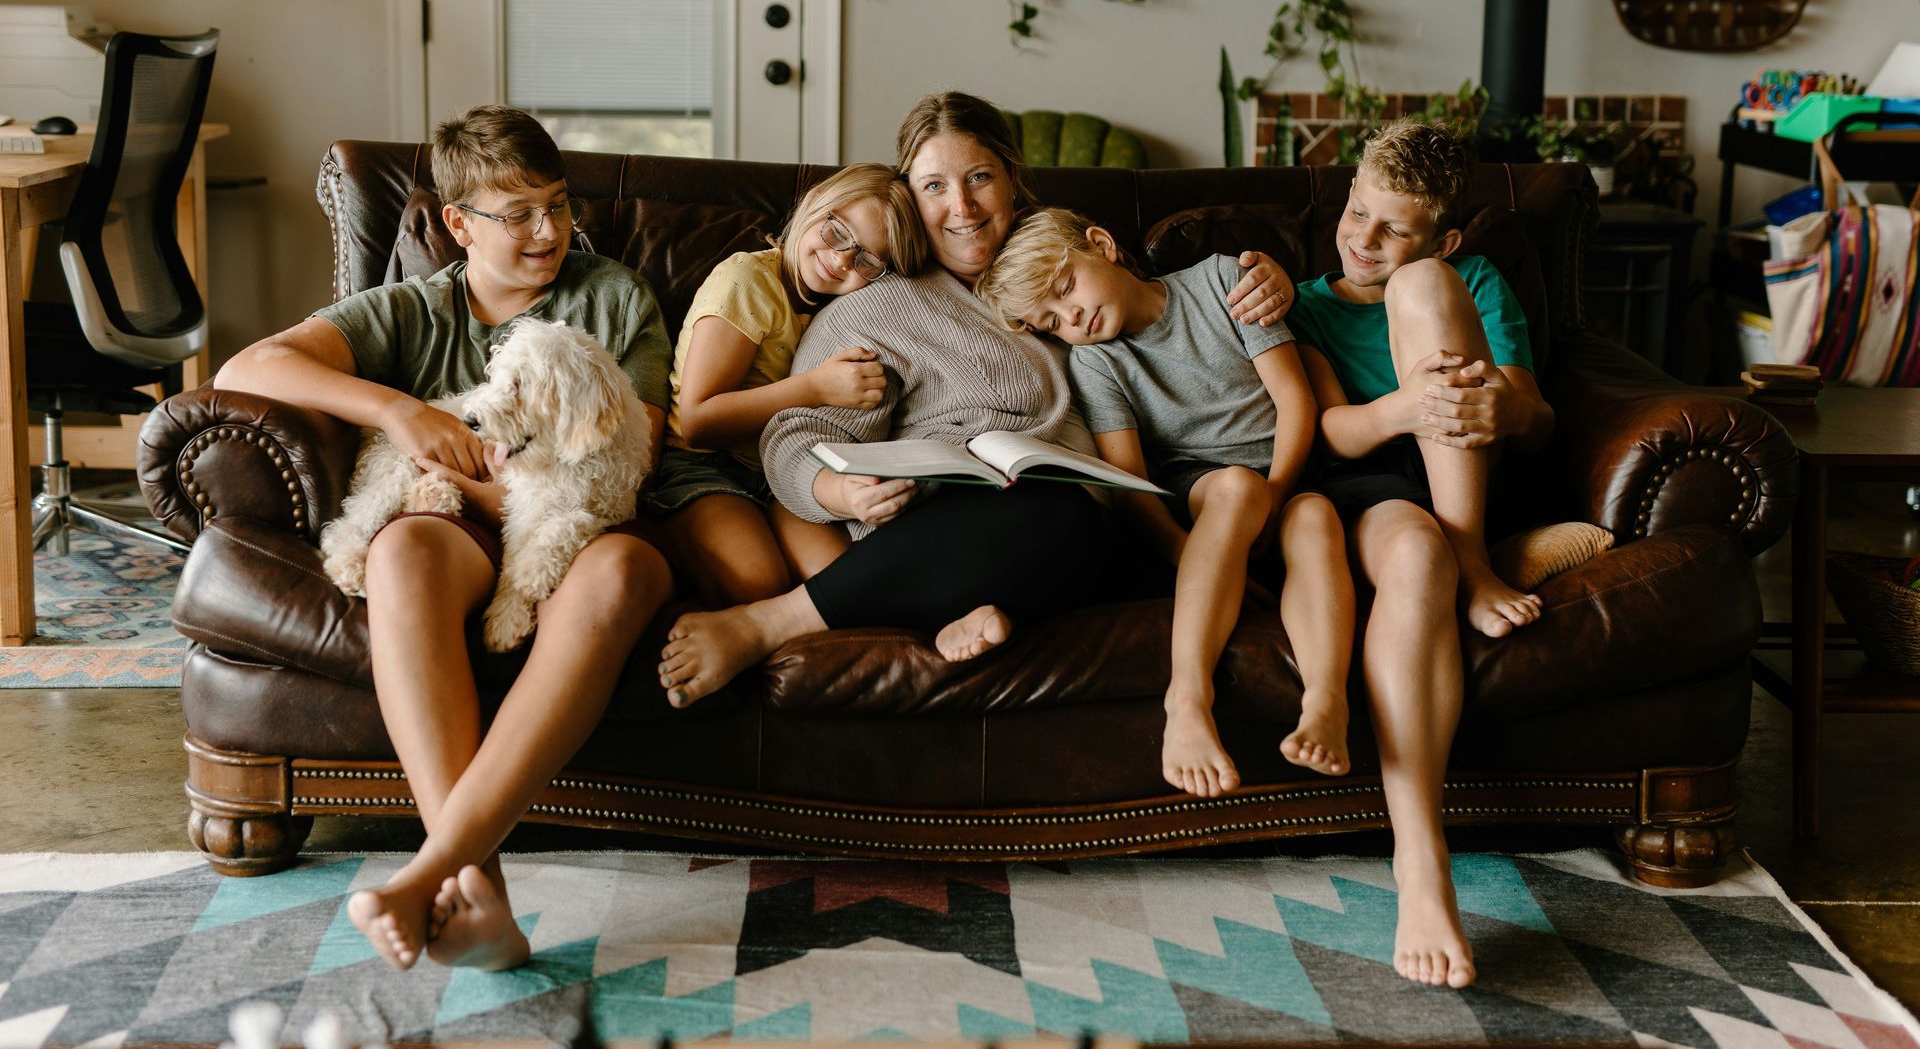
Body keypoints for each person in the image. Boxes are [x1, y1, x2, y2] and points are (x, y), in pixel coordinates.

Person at [214, 105, 675, 973]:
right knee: (400, 552)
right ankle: (485, 901)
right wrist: (400, 410)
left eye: (559, 205)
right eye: (517, 214)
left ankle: (432, 873)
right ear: (457, 224)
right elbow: (246, 370)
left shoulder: (613, 296)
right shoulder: (412, 312)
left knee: (612, 579)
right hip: (463, 525)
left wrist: (482, 478)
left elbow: (629, 459)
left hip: (591, 529)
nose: (549, 231)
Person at [654, 90, 1296, 698]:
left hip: (1097, 527)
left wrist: (1276, 286)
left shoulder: (1063, 267)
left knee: (1110, 533)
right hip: (957, 524)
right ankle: (770, 622)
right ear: (910, 195)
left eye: (979, 177)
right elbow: (794, 441)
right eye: (935, 185)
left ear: (1012, 177)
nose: (961, 206)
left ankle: (982, 607)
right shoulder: (875, 305)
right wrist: (840, 491)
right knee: (1055, 513)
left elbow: (1174, 315)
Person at [1283, 118, 1555, 990]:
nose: (1363, 240)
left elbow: (1535, 413)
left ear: (1445, 231)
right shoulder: (1303, 302)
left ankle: (1471, 552)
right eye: (1357, 211)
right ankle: (1421, 860)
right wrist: (1412, 405)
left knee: (1419, 292)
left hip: (1464, 468)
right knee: (1416, 554)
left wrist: (1499, 410)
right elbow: (1332, 429)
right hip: (1369, 481)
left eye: (1392, 228)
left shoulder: (1464, 275)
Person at [974, 207, 1352, 802]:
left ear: (1102, 242)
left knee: (1317, 517)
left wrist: (1279, 497)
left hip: (1289, 476)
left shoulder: (1223, 281)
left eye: (1066, 288)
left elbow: (1295, 403)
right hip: (1204, 489)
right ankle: (1188, 697)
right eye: (1051, 320)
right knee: (1235, 488)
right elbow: (1129, 483)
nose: (1071, 317)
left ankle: (1326, 702)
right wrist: (1183, 552)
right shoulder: (1096, 361)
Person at [652, 163, 925, 605]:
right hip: (701, 465)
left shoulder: (843, 305)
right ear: (815, 205)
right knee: (760, 580)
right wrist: (816, 388)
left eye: (868, 260)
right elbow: (698, 422)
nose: (840, 260)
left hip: (781, 473)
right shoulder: (749, 280)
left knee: (845, 582)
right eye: (837, 232)